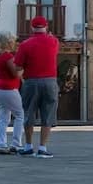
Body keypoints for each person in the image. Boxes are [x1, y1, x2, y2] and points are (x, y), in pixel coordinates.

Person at [14, 16, 60, 158]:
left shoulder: (25, 45)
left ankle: (28, 146)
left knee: (29, 113)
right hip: (50, 82)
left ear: (32, 28)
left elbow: (18, 66)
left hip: (31, 82)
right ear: (46, 27)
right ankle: (42, 148)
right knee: (48, 114)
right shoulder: (54, 42)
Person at [0, 33, 24, 155]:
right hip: (9, 89)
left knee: (3, 117)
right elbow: (15, 73)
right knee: (20, 115)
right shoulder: (8, 57)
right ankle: (16, 144)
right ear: (9, 43)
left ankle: (1, 144)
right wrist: (23, 69)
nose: (14, 43)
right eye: (13, 41)